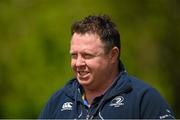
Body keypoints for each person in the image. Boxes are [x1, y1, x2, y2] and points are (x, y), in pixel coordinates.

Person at [39, 15, 175, 119]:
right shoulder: (57, 101)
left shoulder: (144, 99)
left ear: (113, 55)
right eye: (74, 55)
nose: (78, 63)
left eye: (87, 55)